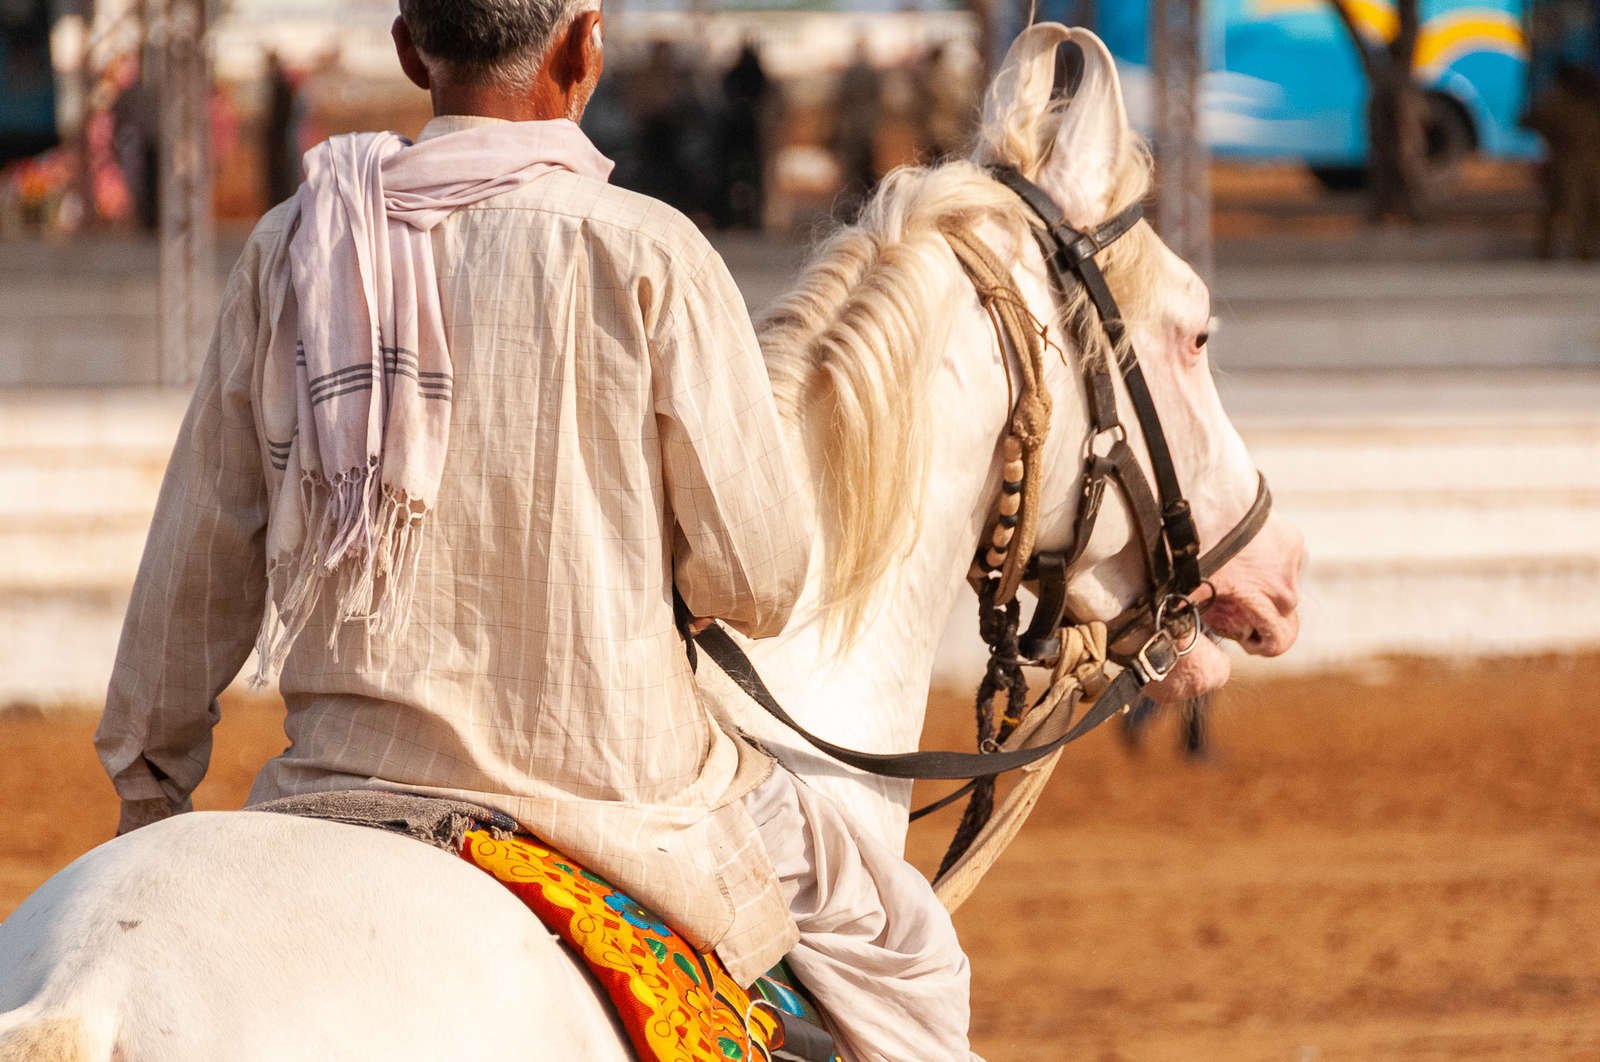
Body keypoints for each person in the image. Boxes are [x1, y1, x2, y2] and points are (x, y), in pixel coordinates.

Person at [94, 1, 974, 1059]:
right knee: (904, 949)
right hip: (622, 801)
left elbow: (198, 562)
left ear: (409, 50)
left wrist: (152, 790)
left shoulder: (294, 244)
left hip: (338, 783)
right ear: (582, 48)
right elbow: (761, 576)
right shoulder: (648, 251)